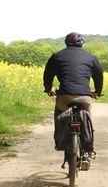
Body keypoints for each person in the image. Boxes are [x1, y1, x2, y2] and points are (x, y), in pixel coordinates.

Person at [44, 32, 103, 168]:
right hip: (84, 97)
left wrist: (49, 89)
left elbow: (47, 75)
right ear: (82, 43)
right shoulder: (91, 57)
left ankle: (61, 141)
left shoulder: (56, 56)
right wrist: (97, 92)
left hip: (64, 96)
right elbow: (99, 75)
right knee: (87, 116)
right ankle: (87, 153)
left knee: (60, 112)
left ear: (66, 43)